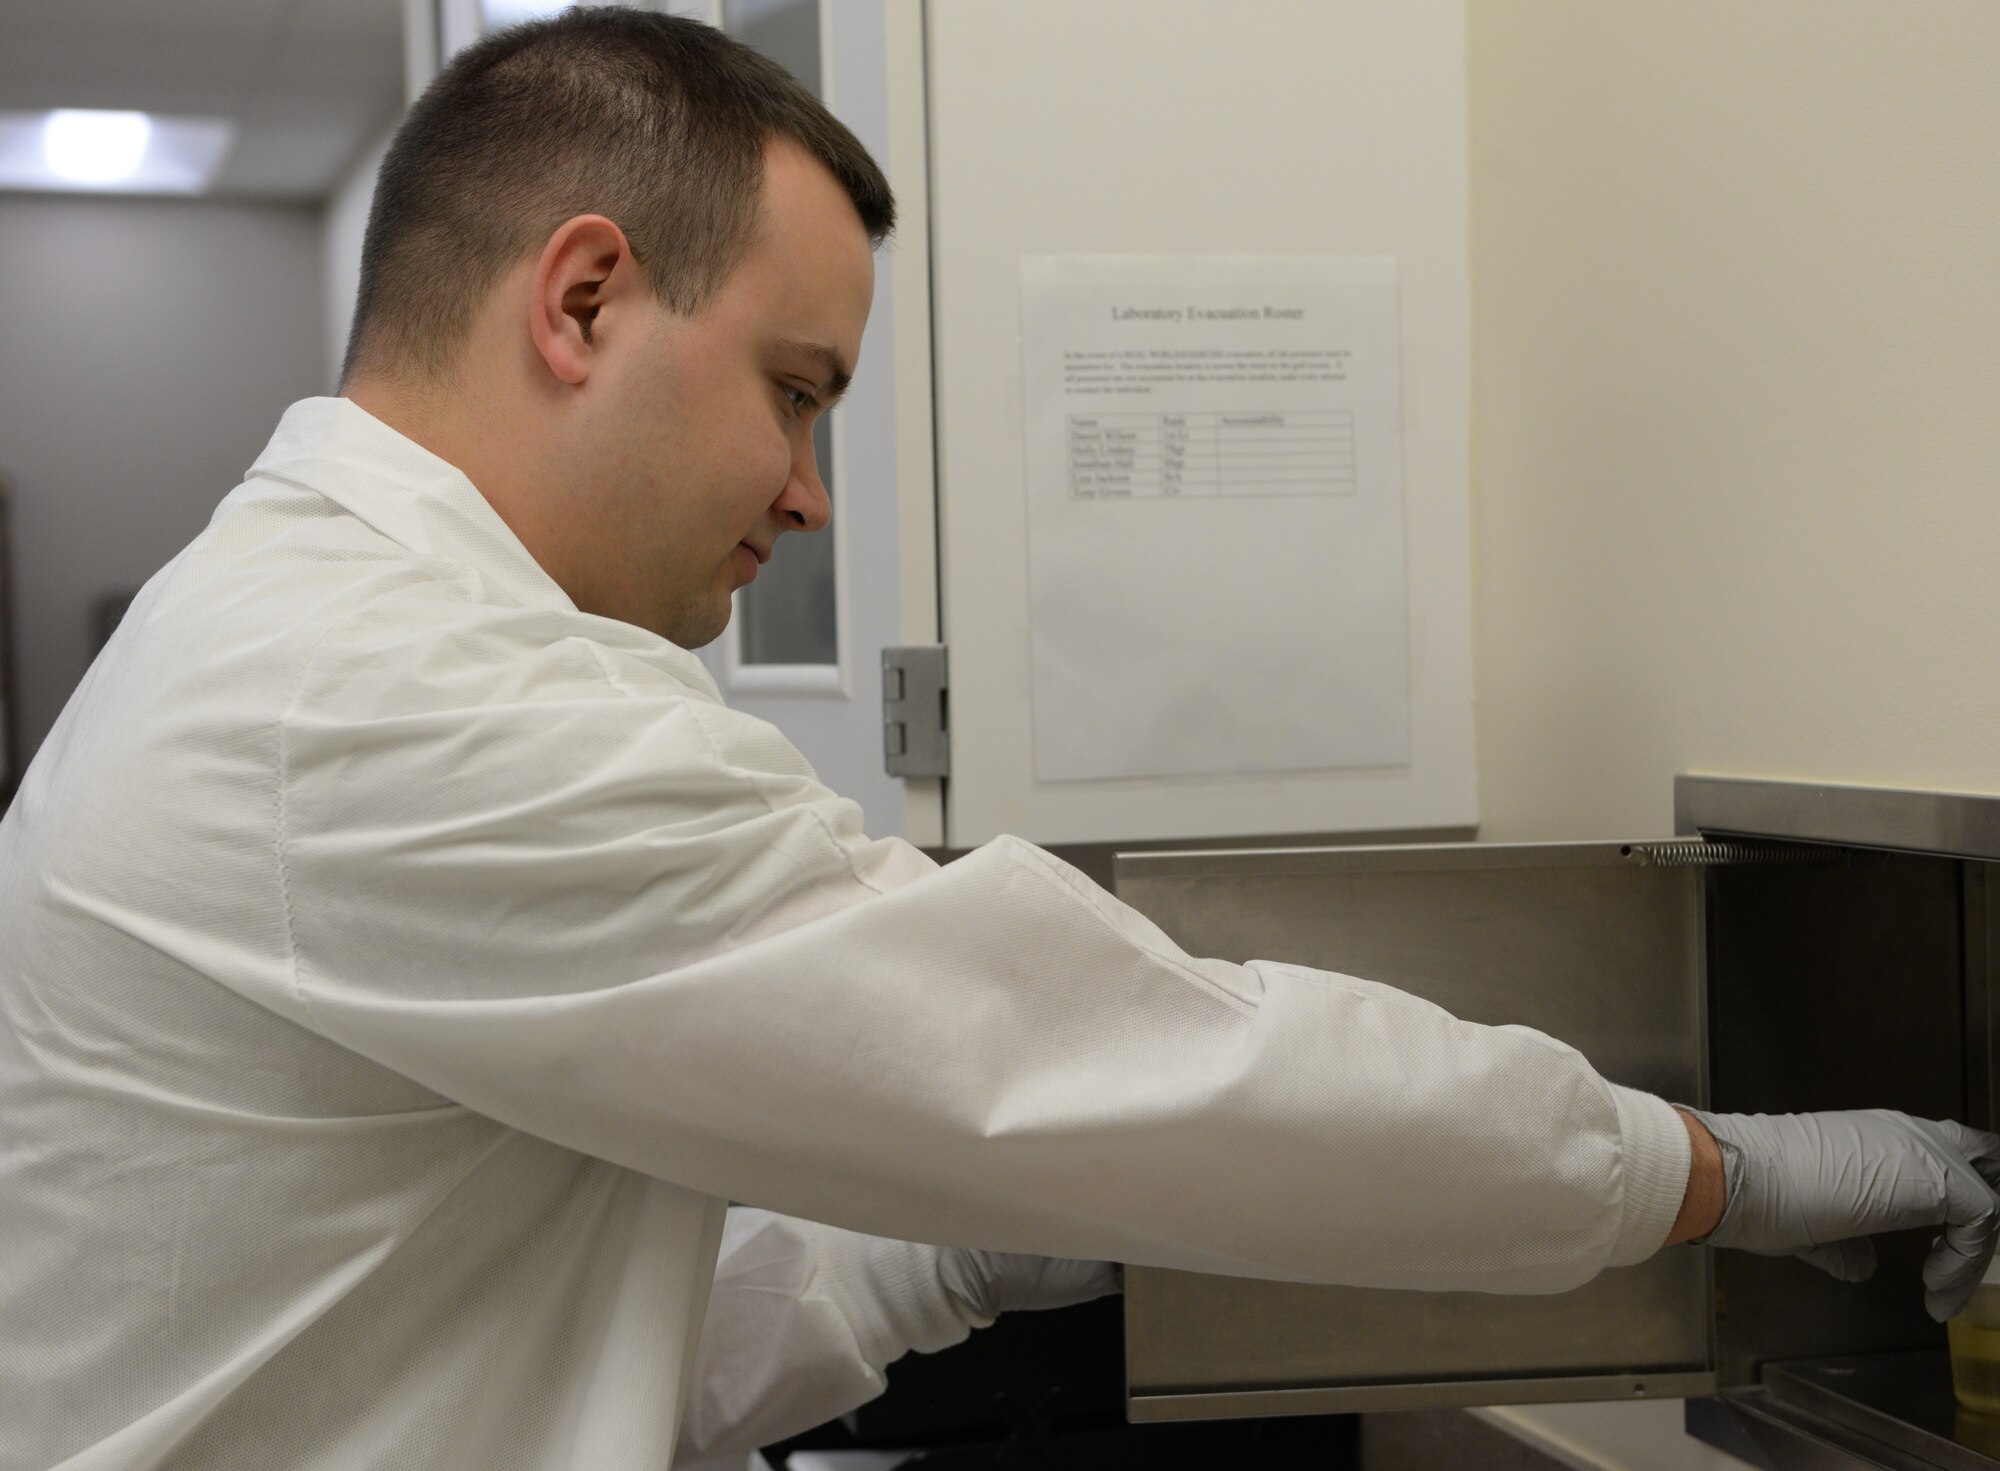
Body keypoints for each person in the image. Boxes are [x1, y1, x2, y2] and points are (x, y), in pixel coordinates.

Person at [1, 12, 1995, 1470]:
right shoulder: (397, 697)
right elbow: (1150, 1069)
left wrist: (934, 1265)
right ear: (586, 296)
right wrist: (1734, 1171)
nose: (811, 494)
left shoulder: (292, 627)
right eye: (796, 393)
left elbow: (506, 1367)